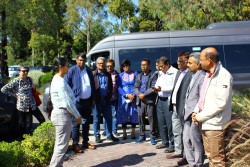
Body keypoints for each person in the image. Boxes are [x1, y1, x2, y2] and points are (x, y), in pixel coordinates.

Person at [192, 47, 232, 167]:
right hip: (206, 122)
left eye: (202, 60)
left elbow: (221, 103)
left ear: (209, 60)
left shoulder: (223, 75)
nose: (200, 62)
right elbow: (203, 96)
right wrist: (196, 111)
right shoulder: (208, 75)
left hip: (215, 124)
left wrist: (199, 116)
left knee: (217, 159)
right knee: (210, 156)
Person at [49, 57, 82, 167]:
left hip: (62, 115)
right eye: (67, 65)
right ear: (60, 67)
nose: (69, 67)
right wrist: (77, 115)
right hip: (62, 115)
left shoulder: (59, 79)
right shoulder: (60, 82)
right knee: (61, 146)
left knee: (60, 145)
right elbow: (67, 102)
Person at [64, 53, 96, 153]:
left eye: (83, 60)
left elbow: (92, 85)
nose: (81, 62)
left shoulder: (88, 71)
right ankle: (75, 144)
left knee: (86, 123)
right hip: (77, 102)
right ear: (77, 60)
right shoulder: (72, 70)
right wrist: (70, 98)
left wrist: (93, 98)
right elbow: (66, 84)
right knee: (76, 123)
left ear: (85, 61)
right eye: (80, 60)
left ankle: (85, 142)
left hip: (87, 102)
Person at [1, 66, 45, 135]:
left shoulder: (30, 79)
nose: (25, 72)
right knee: (22, 124)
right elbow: (3, 89)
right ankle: (23, 139)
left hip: (32, 104)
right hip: (22, 106)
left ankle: (40, 134)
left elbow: (33, 89)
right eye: (23, 71)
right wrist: (15, 95)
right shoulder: (16, 81)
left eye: (27, 71)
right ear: (19, 72)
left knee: (42, 119)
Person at [167, 51, 192, 165]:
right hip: (175, 106)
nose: (178, 63)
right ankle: (178, 151)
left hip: (184, 108)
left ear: (187, 62)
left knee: (187, 134)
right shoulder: (178, 73)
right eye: (177, 61)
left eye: (180, 61)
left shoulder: (191, 74)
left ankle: (188, 156)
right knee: (176, 130)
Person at [183, 52, 205, 167]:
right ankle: (192, 163)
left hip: (194, 114)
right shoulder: (193, 75)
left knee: (195, 140)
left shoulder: (202, 77)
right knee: (186, 140)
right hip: (187, 113)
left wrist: (197, 113)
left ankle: (198, 163)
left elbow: (201, 98)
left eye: (190, 63)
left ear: (198, 64)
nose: (187, 65)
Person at [154, 56, 178, 151]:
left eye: (162, 66)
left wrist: (162, 89)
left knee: (170, 123)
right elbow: (157, 83)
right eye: (159, 66)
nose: (160, 68)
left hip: (168, 99)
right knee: (161, 122)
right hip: (160, 99)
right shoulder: (161, 73)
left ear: (167, 64)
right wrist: (156, 88)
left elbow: (175, 87)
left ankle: (172, 144)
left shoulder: (174, 72)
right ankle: (164, 141)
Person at [93, 57, 119, 143]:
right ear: (96, 64)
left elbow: (111, 86)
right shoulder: (93, 74)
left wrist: (109, 97)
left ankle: (109, 134)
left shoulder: (108, 74)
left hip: (106, 100)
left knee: (109, 118)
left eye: (102, 63)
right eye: (99, 63)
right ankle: (97, 135)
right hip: (97, 100)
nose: (101, 64)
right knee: (96, 119)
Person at [133, 58, 158, 145]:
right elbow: (135, 87)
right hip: (140, 100)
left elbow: (153, 87)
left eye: (145, 65)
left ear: (148, 65)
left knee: (151, 118)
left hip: (149, 100)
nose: (143, 66)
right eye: (142, 65)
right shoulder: (139, 75)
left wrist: (144, 95)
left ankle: (152, 136)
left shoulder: (154, 75)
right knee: (140, 117)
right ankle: (142, 136)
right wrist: (139, 94)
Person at [117, 59, 138, 140]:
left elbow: (137, 85)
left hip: (133, 97)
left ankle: (133, 132)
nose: (125, 67)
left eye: (127, 65)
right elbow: (119, 87)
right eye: (123, 66)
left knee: (134, 114)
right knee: (123, 115)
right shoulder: (120, 75)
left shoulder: (135, 74)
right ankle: (124, 132)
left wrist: (133, 95)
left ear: (129, 65)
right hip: (124, 98)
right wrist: (126, 95)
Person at [102, 59, 120, 138]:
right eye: (108, 66)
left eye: (111, 66)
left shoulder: (117, 75)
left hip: (114, 98)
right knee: (105, 116)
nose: (109, 67)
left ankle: (114, 130)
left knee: (114, 116)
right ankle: (106, 131)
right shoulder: (103, 74)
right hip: (105, 99)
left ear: (113, 66)